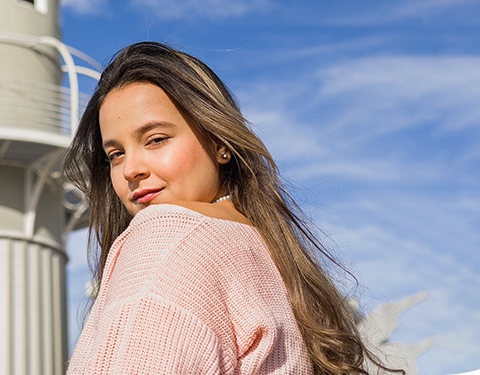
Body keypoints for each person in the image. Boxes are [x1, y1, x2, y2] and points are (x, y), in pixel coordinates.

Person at [63, 41, 403, 374]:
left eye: (156, 139)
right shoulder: (271, 253)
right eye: (115, 154)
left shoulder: (167, 237)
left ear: (220, 142)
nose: (130, 169)